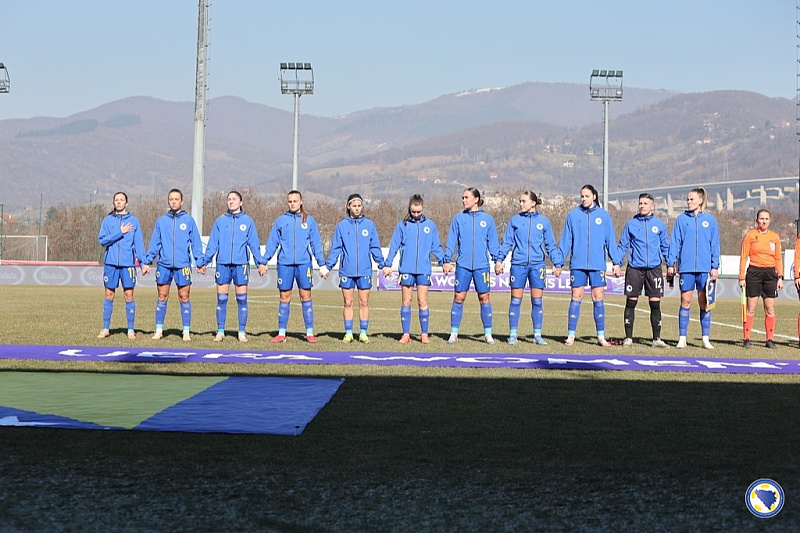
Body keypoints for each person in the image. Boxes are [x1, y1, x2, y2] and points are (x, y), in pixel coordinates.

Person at [553, 184, 621, 347]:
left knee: (598, 298)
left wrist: (616, 262)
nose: (583, 199)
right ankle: (571, 335)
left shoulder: (603, 216)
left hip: (598, 264)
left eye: (586, 196)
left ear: (594, 197)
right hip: (578, 264)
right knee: (576, 297)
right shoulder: (573, 215)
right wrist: (558, 263)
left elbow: (610, 240)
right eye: (582, 196)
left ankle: (601, 336)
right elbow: (566, 241)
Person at [496, 191, 563, 345]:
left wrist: (557, 263)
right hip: (518, 265)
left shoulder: (544, 222)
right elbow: (507, 242)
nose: (521, 204)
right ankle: (513, 334)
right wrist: (499, 260)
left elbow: (550, 245)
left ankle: (537, 335)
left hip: (537, 265)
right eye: (520, 201)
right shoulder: (515, 220)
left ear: (533, 203)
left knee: (537, 301)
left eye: (523, 201)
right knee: (515, 301)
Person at [198, 191, 266, 343]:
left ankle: (241, 332)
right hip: (222, 264)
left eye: (234, 199)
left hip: (241, 265)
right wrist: (204, 262)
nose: (231, 201)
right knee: (221, 299)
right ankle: (220, 331)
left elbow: (254, 244)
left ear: (241, 202)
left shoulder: (248, 221)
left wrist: (260, 262)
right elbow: (212, 245)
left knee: (242, 299)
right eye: (229, 199)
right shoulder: (220, 221)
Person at [262, 190, 328, 343]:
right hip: (284, 264)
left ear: (301, 202)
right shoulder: (281, 220)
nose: (292, 204)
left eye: (295, 201)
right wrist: (264, 261)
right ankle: (282, 333)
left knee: (306, 296)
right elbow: (273, 243)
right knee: (284, 297)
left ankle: (310, 333)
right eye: (290, 201)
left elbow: (316, 244)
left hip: (304, 264)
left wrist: (322, 264)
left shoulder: (309, 221)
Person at [383, 194, 445, 344]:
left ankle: (424, 334)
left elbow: (436, 246)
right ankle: (406, 334)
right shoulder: (402, 225)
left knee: (422, 301)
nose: (416, 214)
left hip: (424, 269)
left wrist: (444, 262)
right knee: (406, 301)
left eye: (418, 212)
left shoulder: (430, 226)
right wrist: (387, 264)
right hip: (407, 270)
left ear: (422, 208)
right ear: (409, 209)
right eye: (413, 212)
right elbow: (394, 245)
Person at [144, 188, 204, 341]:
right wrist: (147, 261)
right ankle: (159, 330)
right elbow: (154, 244)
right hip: (164, 265)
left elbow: (196, 243)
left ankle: (186, 331)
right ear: (168, 201)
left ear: (182, 201)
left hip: (183, 265)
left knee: (184, 297)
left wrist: (200, 262)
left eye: (176, 199)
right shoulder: (161, 221)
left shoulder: (189, 220)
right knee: (162, 296)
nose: (174, 201)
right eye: (171, 199)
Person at [442, 187, 500, 344]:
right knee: (459, 297)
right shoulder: (458, 219)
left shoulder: (487, 219)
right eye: (462, 197)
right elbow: (451, 242)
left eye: (466, 197)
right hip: (463, 265)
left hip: (482, 266)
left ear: (476, 199)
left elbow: (493, 243)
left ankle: (488, 334)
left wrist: (497, 260)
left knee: (484, 298)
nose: (463, 200)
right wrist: (446, 260)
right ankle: (454, 333)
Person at [324, 193, 384, 343]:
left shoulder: (369, 225)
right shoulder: (342, 226)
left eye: (359, 206)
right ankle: (348, 333)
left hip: (364, 270)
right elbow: (336, 248)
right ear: (348, 206)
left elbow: (375, 247)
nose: (357, 208)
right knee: (348, 302)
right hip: (347, 270)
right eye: (354, 206)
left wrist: (382, 265)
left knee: (364, 302)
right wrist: (328, 266)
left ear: (362, 206)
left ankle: (363, 333)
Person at [666, 187, 720, 349]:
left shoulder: (710, 220)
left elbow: (715, 244)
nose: (688, 202)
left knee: (704, 302)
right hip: (686, 267)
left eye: (691, 199)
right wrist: (671, 263)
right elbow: (675, 242)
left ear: (700, 200)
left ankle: (705, 338)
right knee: (685, 300)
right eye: (687, 200)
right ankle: (682, 338)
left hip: (704, 268)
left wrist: (715, 266)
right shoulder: (682, 220)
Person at [615, 193, 670, 348]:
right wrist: (617, 263)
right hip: (635, 268)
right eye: (640, 203)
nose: (642, 206)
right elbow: (623, 245)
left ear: (652, 206)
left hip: (654, 269)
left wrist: (671, 264)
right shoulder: (631, 224)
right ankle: (628, 338)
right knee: (631, 302)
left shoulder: (659, 225)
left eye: (645, 203)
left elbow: (665, 246)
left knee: (655, 304)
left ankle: (656, 339)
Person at [96, 192, 150, 339]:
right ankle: (105, 328)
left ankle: (130, 330)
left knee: (129, 295)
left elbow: (138, 244)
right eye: (116, 200)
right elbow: (103, 241)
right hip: (111, 264)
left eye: (121, 200)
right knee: (109, 294)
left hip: (127, 265)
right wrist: (120, 232)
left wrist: (143, 263)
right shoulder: (107, 221)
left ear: (126, 203)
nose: (119, 202)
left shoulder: (134, 221)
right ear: (113, 203)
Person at [739, 209, 783, 349]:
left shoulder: (775, 237)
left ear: (770, 220)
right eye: (761, 218)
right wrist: (742, 277)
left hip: (770, 274)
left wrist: (780, 277)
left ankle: (769, 339)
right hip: (754, 273)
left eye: (766, 219)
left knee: (770, 308)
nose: (764, 221)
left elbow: (778, 258)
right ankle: (746, 338)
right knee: (751, 308)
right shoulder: (750, 236)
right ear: (757, 220)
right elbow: (744, 257)